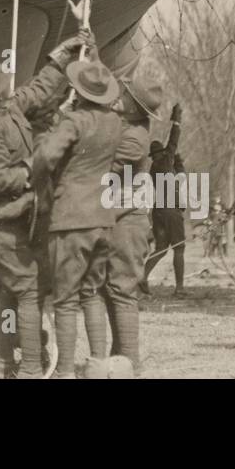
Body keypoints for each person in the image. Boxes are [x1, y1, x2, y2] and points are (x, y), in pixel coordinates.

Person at [0, 32, 85, 378]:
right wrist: (34, 166)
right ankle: (29, 368)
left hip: (16, 220)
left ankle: (1, 362)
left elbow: (37, 90)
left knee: (15, 290)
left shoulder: (9, 109)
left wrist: (60, 59)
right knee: (28, 289)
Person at [32, 60, 125, 378]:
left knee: (66, 298)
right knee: (92, 292)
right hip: (103, 215)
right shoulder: (115, 121)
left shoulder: (73, 121)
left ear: (77, 91)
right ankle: (98, 364)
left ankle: (66, 370)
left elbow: (45, 158)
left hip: (71, 216)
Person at [94, 69, 162, 373]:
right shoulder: (126, 126)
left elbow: (101, 166)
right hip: (115, 216)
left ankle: (130, 360)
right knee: (108, 287)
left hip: (126, 220)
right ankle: (120, 355)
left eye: (125, 94)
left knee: (121, 289)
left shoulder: (135, 137)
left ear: (133, 106)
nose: (118, 95)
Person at [142, 106, 186, 297]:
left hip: (158, 212)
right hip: (171, 211)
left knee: (161, 248)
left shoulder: (154, 167)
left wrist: (177, 162)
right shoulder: (164, 160)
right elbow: (173, 141)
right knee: (179, 248)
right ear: (161, 153)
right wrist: (176, 121)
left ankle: (141, 278)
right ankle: (180, 288)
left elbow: (179, 176)